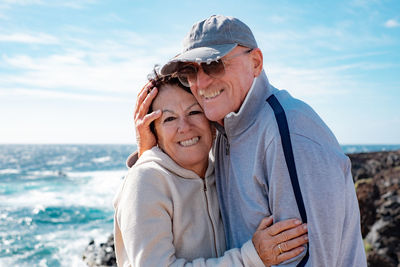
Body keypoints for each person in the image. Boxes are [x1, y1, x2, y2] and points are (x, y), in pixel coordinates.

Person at [135, 15, 367, 266]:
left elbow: (310, 260)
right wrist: (150, 152)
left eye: (214, 64)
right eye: (189, 72)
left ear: (255, 62)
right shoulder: (224, 130)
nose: (200, 83)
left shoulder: (287, 131)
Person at [114, 74, 309, 266]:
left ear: (212, 122)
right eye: (169, 119)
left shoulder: (223, 171)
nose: (185, 127)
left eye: (194, 112)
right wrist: (251, 258)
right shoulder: (146, 180)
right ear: (153, 132)